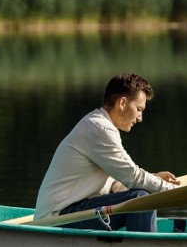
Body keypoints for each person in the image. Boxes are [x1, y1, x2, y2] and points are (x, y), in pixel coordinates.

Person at [34, 73, 178, 232]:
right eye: (138, 109)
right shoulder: (100, 129)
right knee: (142, 200)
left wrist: (154, 180)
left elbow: (118, 184)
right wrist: (176, 192)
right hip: (58, 218)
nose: (140, 118)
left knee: (142, 196)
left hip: (67, 213)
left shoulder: (99, 125)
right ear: (122, 103)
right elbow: (133, 177)